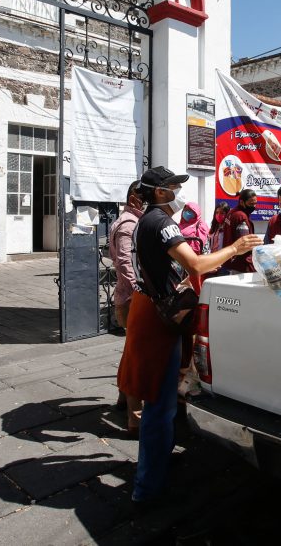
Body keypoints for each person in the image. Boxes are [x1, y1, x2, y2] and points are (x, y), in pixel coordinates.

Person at [117, 166, 261, 505]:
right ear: (160, 193)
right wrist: (236, 248)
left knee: (162, 399)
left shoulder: (147, 221)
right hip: (157, 318)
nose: (178, 192)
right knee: (158, 402)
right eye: (173, 187)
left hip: (151, 310)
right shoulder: (161, 222)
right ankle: (147, 488)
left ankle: (158, 463)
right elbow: (196, 264)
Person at [110, 180, 145, 432]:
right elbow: (125, 263)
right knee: (137, 358)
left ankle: (123, 399)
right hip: (131, 299)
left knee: (130, 351)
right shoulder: (129, 224)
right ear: (134, 198)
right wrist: (140, 293)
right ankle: (136, 419)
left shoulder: (128, 221)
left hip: (127, 297)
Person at [220, 188, 258, 274]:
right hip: (241, 264)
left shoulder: (231, 212)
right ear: (241, 202)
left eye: (255, 203)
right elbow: (245, 243)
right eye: (251, 204)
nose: (254, 206)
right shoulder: (241, 216)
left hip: (229, 260)